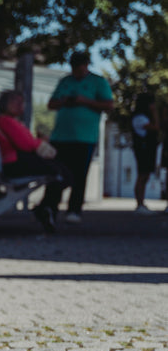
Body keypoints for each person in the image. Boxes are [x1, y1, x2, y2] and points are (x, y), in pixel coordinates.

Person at [47, 52, 115, 224]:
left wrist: (85, 101)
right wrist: (64, 101)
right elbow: (51, 104)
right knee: (56, 173)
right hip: (61, 136)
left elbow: (109, 105)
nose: (76, 71)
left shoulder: (98, 82)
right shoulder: (65, 81)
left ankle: (74, 210)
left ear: (86, 65)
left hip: (85, 138)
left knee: (79, 175)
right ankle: (49, 208)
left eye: (79, 67)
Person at [0, 90, 72, 232]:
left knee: (61, 173)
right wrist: (41, 141)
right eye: (15, 101)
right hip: (14, 164)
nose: (20, 105)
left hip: (12, 163)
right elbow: (26, 144)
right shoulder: (5, 121)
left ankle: (46, 207)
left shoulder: (3, 121)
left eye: (22, 102)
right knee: (62, 173)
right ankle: (45, 208)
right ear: (4, 104)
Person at [130, 93, 161, 215]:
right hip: (142, 150)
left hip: (147, 149)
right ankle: (139, 204)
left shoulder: (142, 117)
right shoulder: (140, 118)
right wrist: (155, 113)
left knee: (145, 175)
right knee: (142, 175)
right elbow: (156, 127)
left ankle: (141, 203)